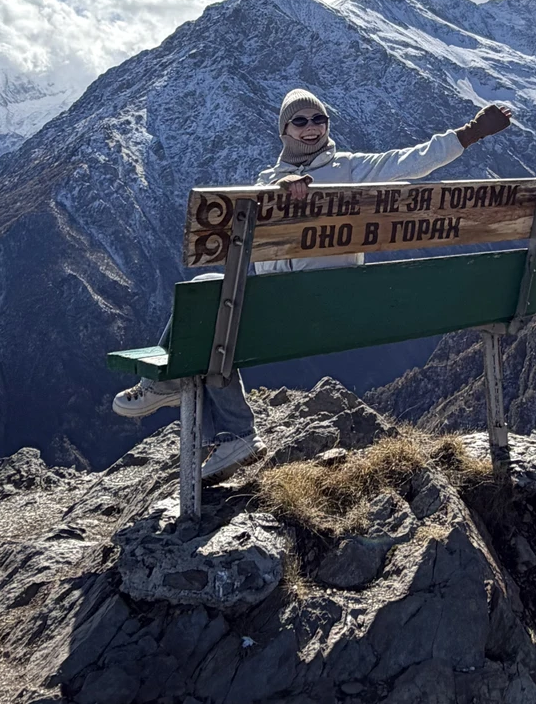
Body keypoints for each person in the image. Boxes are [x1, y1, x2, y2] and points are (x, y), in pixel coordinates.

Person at [113, 88, 511, 480]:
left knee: (210, 309)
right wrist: (278, 194)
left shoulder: (350, 168)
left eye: (319, 119)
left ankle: (183, 398)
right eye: (300, 121)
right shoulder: (267, 180)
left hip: (308, 305)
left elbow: (411, 160)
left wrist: (471, 131)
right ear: (285, 130)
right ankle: (216, 427)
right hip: (301, 306)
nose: (311, 128)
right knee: (207, 301)